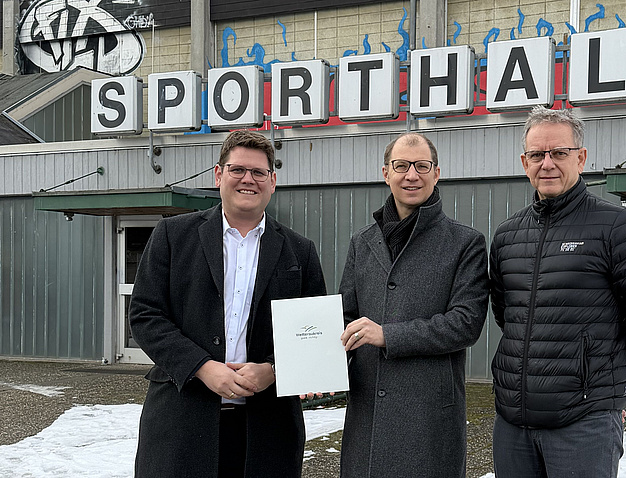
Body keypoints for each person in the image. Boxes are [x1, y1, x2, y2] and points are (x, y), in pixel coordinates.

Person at [489, 106, 626, 477]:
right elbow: (509, 315)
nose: (547, 164)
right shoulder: (507, 235)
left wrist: (614, 392)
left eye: (559, 153)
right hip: (513, 424)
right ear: (524, 162)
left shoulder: (617, 227)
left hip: (584, 424)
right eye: (537, 155)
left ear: (581, 157)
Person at [129, 130, 327, 478]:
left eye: (258, 173)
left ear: (272, 181)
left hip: (268, 431)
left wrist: (272, 370)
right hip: (181, 424)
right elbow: (146, 315)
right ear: (219, 174)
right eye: (238, 170)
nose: (248, 180)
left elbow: (313, 333)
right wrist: (203, 367)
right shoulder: (172, 236)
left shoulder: (300, 251)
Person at [337, 132, 489, 477]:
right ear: (385, 172)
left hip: (428, 416)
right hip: (368, 415)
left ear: (436, 173)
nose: (411, 175)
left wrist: (388, 335)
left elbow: (465, 323)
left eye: (422, 166)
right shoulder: (362, 242)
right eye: (401, 165)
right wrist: (318, 363)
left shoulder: (465, 243)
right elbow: (345, 316)